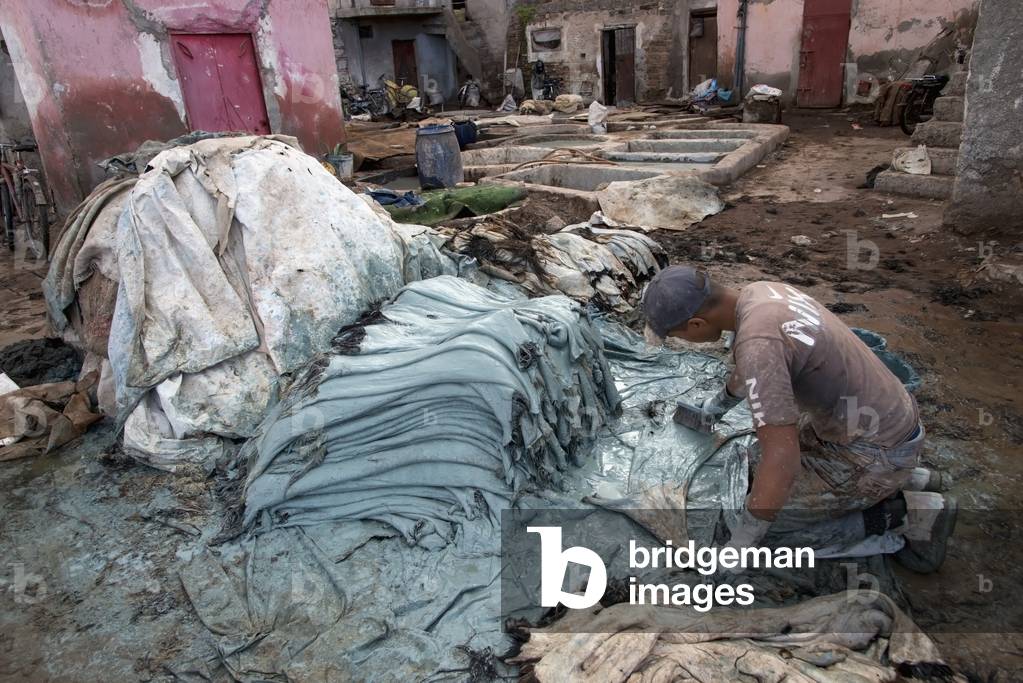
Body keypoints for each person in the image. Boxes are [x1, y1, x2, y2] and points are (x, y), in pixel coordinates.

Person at [641, 265, 956, 573]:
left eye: (674, 335)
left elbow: (783, 460)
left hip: (875, 449)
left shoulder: (759, 345)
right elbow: (748, 365)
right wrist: (716, 406)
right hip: (885, 422)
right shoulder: (758, 294)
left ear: (695, 325)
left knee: (757, 521)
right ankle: (911, 477)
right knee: (751, 463)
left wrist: (742, 544)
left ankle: (909, 515)